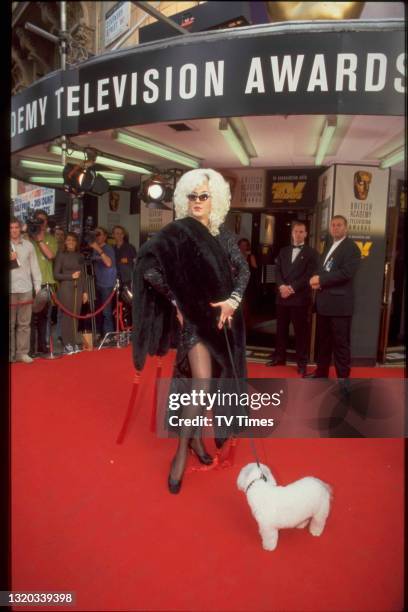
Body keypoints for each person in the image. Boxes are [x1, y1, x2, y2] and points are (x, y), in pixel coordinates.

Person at [132, 168, 249, 494]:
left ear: (216, 201)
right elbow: (148, 267)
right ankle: (181, 451)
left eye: (204, 196)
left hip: (221, 322)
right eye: (192, 196)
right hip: (194, 324)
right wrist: (176, 301)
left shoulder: (222, 233)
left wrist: (233, 301)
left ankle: (197, 439)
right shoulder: (177, 232)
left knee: (211, 385)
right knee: (200, 383)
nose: (197, 202)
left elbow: (244, 269)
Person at [306, 215, 361, 379]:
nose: (335, 228)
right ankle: (321, 374)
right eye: (333, 225)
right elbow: (321, 268)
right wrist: (315, 278)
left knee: (341, 346)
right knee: (323, 343)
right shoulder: (330, 245)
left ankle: (343, 381)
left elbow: (346, 273)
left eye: (339, 225)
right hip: (324, 305)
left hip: (339, 307)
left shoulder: (351, 247)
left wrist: (321, 280)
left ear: (346, 228)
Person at [266, 221, 318, 376]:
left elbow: (309, 275)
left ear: (306, 234)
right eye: (296, 231)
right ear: (292, 233)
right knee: (280, 329)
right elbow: (278, 271)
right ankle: (279, 357)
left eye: (301, 231)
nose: (298, 234)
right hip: (282, 297)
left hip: (300, 299)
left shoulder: (312, 253)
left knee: (300, 333)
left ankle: (302, 363)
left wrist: (292, 288)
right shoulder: (283, 251)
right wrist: (282, 286)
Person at [9, 217, 42, 363]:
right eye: (11, 227)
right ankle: (10, 354)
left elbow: (35, 266)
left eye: (16, 227)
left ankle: (22, 353)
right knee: (9, 324)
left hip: (26, 289)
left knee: (24, 324)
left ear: (20, 228)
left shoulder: (28, 245)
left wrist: (37, 286)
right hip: (10, 289)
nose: (14, 230)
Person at [54, 232, 88, 355]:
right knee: (67, 317)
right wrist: (70, 276)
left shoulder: (79, 255)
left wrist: (85, 291)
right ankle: (66, 344)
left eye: (73, 240)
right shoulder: (61, 255)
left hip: (78, 288)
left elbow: (83, 274)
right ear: (65, 242)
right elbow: (56, 274)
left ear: (76, 242)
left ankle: (73, 342)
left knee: (76, 315)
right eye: (68, 240)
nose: (71, 242)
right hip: (66, 288)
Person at [29, 209, 58, 356]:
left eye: (43, 221)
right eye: (38, 220)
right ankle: (30, 349)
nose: (41, 223)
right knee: (29, 318)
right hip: (30, 283)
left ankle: (43, 346)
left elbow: (50, 255)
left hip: (46, 282)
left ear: (47, 223)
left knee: (44, 318)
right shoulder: (27, 237)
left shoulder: (51, 238)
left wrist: (39, 239)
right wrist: (26, 230)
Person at [90, 227, 117, 340]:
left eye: (99, 234)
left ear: (105, 236)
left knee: (106, 312)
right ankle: (101, 335)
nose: (97, 236)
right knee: (99, 311)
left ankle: (109, 336)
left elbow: (109, 263)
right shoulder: (95, 249)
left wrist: (98, 250)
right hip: (98, 282)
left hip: (107, 283)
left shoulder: (108, 248)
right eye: (95, 234)